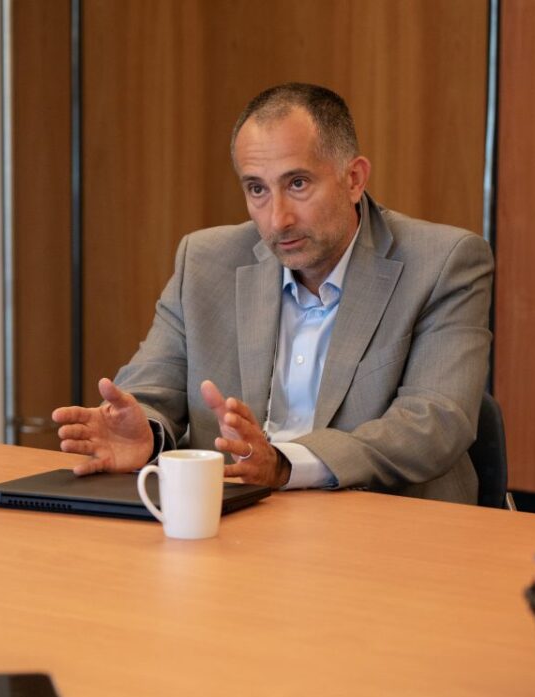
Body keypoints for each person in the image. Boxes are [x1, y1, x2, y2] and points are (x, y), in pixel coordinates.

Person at [52, 83, 493, 504]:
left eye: (297, 184)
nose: (276, 219)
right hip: (235, 525)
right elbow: (152, 387)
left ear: (354, 179)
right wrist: (148, 435)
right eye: (257, 189)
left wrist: (286, 465)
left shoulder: (443, 262)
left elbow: (435, 422)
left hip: (385, 530)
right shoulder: (206, 261)